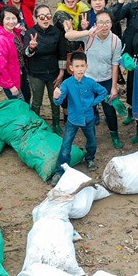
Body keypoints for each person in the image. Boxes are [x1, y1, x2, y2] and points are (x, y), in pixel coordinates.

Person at [64, 10, 124, 148]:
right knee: (87, 107)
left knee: (109, 109)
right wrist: (87, 32)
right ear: (95, 24)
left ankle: (114, 134)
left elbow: (115, 64)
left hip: (106, 79)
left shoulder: (115, 41)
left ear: (111, 23)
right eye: (100, 22)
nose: (104, 25)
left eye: (107, 22)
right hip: (88, 79)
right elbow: (69, 35)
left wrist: (114, 86)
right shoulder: (90, 36)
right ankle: (89, 136)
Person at [51, 52, 108, 183]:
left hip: (89, 119)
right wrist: (56, 97)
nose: (80, 69)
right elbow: (59, 102)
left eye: (82, 66)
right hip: (73, 119)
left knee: (92, 141)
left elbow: (103, 92)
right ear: (71, 68)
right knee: (66, 145)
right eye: (77, 66)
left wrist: (93, 103)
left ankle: (90, 159)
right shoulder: (66, 84)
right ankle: (60, 171)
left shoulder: (90, 82)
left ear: (87, 66)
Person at [24, 4, 67, 134]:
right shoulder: (30, 32)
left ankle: (55, 123)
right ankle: (36, 123)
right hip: (36, 73)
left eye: (48, 16)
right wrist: (32, 47)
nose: (45, 19)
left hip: (54, 72)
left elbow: (62, 53)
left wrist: (61, 73)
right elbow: (26, 54)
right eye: (41, 16)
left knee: (55, 99)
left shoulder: (56, 32)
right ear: (36, 18)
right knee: (37, 101)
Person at [0, 6, 31, 102]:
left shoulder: (14, 32)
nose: (11, 21)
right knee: (19, 104)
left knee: (27, 97)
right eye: (8, 18)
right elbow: (1, 66)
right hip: (10, 78)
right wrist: (11, 85)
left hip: (20, 71)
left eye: (14, 18)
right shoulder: (0, 39)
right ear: (2, 20)